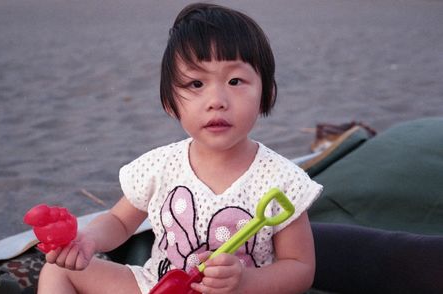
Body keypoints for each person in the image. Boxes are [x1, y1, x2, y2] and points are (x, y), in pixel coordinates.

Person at [38, 3, 322, 293]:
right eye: (196, 83)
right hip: (160, 287)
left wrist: (244, 281)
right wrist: (89, 240)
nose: (217, 100)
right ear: (170, 103)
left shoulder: (280, 180)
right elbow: (118, 221)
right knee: (56, 271)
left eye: (235, 81)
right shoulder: (161, 166)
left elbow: (299, 268)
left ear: (267, 94)